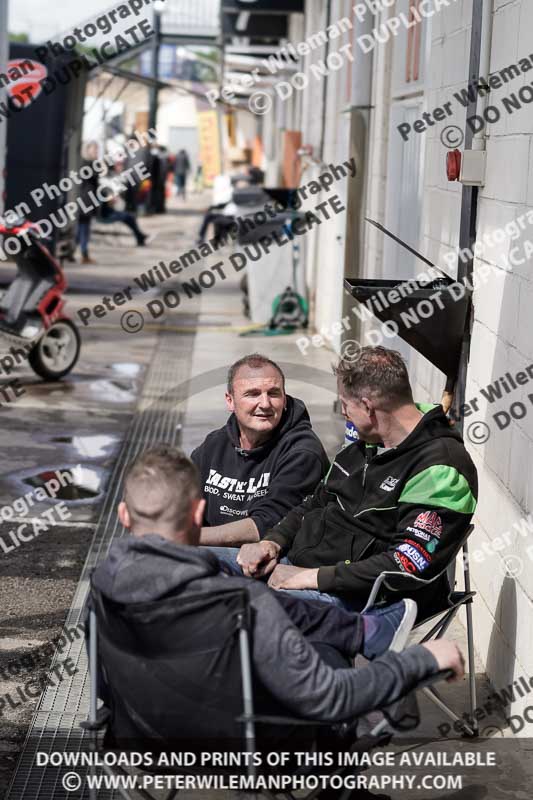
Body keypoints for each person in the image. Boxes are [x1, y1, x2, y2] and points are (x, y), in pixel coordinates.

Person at [90, 445, 465, 728]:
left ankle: (364, 631)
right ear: (199, 514)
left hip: (143, 741)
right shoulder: (244, 604)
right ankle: (365, 633)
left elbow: (105, 692)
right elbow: (331, 698)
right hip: (248, 747)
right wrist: (421, 660)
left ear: (123, 515)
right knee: (330, 662)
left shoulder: (103, 585)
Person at [215, 346, 479, 615]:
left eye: (345, 404)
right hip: (292, 565)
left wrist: (310, 578)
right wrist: (271, 543)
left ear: (367, 406)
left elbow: (405, 564)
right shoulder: (368, 443)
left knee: (234, 616)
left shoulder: (441, 469)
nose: (343, 412)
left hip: (364, 599)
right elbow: (314, 503)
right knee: (186, 566)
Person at [191, 354, 329, 546]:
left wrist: (187, 537)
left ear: (285, 399)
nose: (265, 404)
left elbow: (267, 523)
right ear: (230, 401)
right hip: (213, 549)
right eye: (252, 394)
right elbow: (181, 498)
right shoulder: (215, 444)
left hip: (271, 558)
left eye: (273, 393)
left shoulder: (303, 452)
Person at [76, 142, 99, 264]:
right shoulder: (88, 164)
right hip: (86, 200)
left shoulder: (87, 164)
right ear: (88, 150)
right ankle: (84, 255)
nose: (96, 152)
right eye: (94, 149)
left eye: (97, 150)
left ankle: (70, 251)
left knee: (81, 229)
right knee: (84, 228)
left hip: (86, 199)